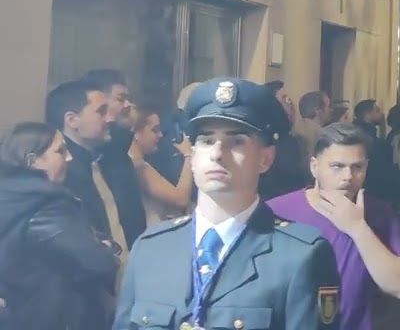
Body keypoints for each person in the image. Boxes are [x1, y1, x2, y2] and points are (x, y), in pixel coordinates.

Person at [112, 78, 341, 330]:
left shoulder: (298, 256)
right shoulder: (152, 249)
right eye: (207, 140)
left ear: (265, 158)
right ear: (193, 156)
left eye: (236, 141)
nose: (218, 153)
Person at [267, 123, 400, 330]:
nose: (348, 176)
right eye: (337, 166)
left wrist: (358, 228)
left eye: (357, 167)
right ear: (314, 167)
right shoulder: (276, 211)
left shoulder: (380, 214)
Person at [0, 122, 119, 330]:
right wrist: (106, 248)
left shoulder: (10, 198)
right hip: (59, 318)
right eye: (60, 151)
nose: (69, 158)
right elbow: (96, 262)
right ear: (33, 161)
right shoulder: (43, 205)